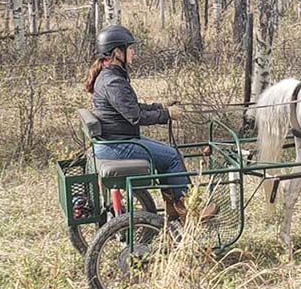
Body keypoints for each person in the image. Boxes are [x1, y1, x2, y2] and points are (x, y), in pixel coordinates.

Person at [84, 24, 215, 222]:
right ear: (117, 52)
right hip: (117, 145)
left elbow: (132, 107)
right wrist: (166, 115)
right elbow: (136, 116)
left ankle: (174, 209)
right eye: (129, 48)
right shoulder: (113, 81)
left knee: (167, 153)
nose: (133, 52)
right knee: (171, 157)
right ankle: (189, 211)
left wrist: (160, 106)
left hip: (115, 142)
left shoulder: (111, 76)